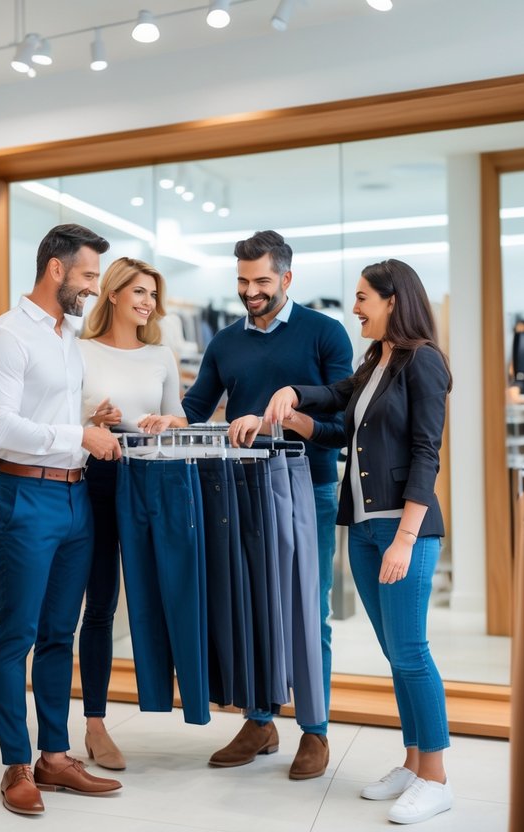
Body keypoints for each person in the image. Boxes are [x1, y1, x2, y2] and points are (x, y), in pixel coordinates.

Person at [243, 258, 454, 824]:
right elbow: (335, 406)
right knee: (395, 654)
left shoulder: (423, 363)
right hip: (363, 527)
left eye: (363, 298)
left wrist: (406, 539)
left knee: (412, 653)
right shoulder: (375, 361)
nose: (355, 308)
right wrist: (292, 400)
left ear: (392, 301)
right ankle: (412, 763)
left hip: (400, 528)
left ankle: (436, 777)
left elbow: (426, 453)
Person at [181, 230, 353, 780]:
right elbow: (195, 407)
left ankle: (315, 729)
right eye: (242, 282)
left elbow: (340, 428)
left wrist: (286, 418)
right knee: (251, 604)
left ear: (286, 277)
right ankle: (260, 721)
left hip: (311, 487)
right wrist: (165, 419)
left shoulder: (325, 334)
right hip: (241, 491)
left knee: (307, 609)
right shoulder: (225, 342)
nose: (250, 292)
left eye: (261, 281)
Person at [0, 223, 124, 816]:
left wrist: (93, 418)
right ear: (56, 270)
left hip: (73, 497)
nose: (93, 287)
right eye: (88, 275)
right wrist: (77, 432)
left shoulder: (66, 338)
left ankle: (54, 757)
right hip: (23, 496)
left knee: (61, 632)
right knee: (17, 635)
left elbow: (51, 413)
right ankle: (15, 764)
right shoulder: (5, 336)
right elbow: (3, 426)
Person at [75, 256, 187, 770]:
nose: (147, 303)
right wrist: (92, 418)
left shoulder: (162, 354)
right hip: (95, 480)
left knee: (159, 594)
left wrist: (169, 421)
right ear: (114, 294)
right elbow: (63, 419)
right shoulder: (78, 351)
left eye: (152, 295)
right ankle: (95, 725)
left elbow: (179, 419)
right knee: (100, 604)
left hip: (148, 480)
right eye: (139, 292)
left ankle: (170, 695)